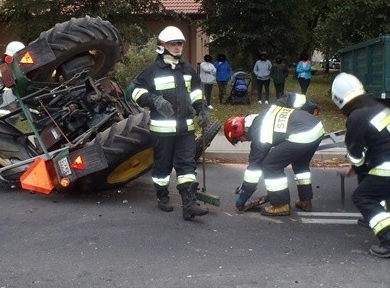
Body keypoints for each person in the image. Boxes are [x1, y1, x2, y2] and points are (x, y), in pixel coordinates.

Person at [331, 72, 390, 259]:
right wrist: (360, 168)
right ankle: (371, 218)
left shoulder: (357, 117)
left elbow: (355, 153)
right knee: (368, 179)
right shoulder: (376, 107)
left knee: (364, 197)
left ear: (339, 100)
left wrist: (355, 166)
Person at [131, 26, 209, 220]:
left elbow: (196, 92)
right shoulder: (152, 70)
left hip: (185, 129)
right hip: (162, 131)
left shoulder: (187, 69)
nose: (177, 47)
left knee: (187, 166)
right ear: (162, 46)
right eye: (173, 43)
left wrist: (202, 109)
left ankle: (189, 204)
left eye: (180, 43)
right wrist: (155, 100)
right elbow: (135, 92)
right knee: (162, 167)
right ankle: (162, 195)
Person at [224, 92, 325, 216]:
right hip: (316, 128)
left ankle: (281, 204)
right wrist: (310, 106)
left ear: (240, 131)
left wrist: (243, 197)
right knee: (300, 165)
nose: (243, 141)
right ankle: (305, 200)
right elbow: (292, 97)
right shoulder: (269, 110)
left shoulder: (258, 135)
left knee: (270, 165)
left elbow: (253, 170)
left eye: (239, 139)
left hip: (301, 135)